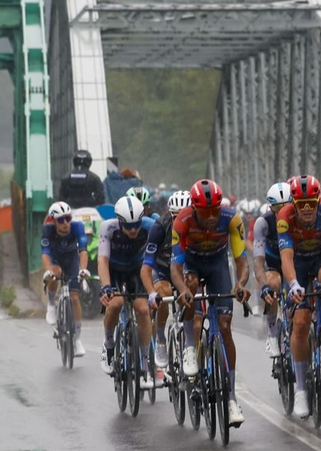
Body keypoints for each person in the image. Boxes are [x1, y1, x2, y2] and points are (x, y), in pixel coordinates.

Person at [170, 179, 251, 427]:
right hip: (192, 266)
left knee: (225, 327)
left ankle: (231, 399)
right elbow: (175, 267)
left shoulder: (232, 218)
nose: (211, 216)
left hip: (217, 266)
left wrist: (240, 285)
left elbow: (241, 261)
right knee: (191, 289)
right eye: (205, 212)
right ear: (195, 210)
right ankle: (190, 350)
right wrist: (183, 290)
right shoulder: (182, 221)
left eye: (215, 210)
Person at [279, 175, 321, 419]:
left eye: (311, 203)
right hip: (297, 264)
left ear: (318, 201)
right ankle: (302, 390)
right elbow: (285, 257)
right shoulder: (284, 217)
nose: (306, 209)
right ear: (293, 203)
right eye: (301, 204)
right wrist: (293, 284)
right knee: (302, 323)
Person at [97, 195, 158, 385]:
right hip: (114, 269)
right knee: (115, 303)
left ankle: (146, 363)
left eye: (136, 224)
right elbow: (102, 260)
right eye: (128, 225)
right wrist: (106, 287)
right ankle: (108, 346)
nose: (133, 229)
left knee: (142, 309)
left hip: (137, 269)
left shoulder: (150, 226)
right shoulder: (108, 227)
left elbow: (156, 257)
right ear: (119, 221)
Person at [41, 200, 89, 356]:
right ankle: (51, 304)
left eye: (68, 218)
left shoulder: (77, 227)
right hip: (55, 261)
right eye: (61, 220)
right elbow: (46, 254)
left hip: (71, 260)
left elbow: (83, 251)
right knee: (55, 274)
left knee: (75, 298)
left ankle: (77, 339)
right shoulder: (47, 230)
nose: (66, 223)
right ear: (54, 221)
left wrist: (83, 270)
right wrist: (48, 271)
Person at [141, 191, 186, 341]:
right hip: (162, 268)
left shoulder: (197, 228)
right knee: (164, 292)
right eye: (175, 216)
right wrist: (152, 293)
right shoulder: (160, 227)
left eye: (184, 216)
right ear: (169, 213)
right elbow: (147, 265)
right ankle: (160, 338)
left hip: (184, 269)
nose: (180, 221)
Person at [256, 182, 294, 357]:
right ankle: (272, 334)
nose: (283, 211)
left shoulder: (299, 218)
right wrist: (263, 285)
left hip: (294, 263)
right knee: (273, 283)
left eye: (287, 206)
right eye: (278, 208)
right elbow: (258, 261)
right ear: (271, 208)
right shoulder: (263, 223)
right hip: (273, 264)